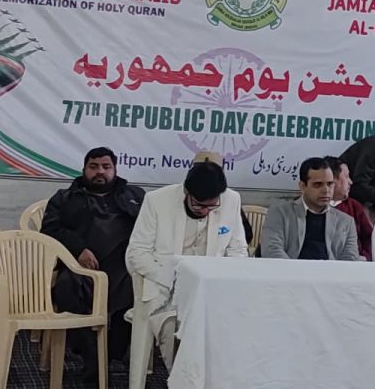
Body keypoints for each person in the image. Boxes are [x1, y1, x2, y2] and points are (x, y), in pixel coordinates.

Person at [126, 160, 248, 367]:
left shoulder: (231, 200)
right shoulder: (157, 201)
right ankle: (183, 378)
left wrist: (224, 280)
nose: (205, 211)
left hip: (211, 292)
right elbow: (136, 253)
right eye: (199, 205)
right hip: (166, 290)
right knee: (175, 332)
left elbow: (238, 249)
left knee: (234, 328)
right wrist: (171, 278)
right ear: (186, 192)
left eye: (212, 206)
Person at [41, 147, 145, 378]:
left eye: (106, 167)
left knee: (139, 289)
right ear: (84, 169)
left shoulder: (135, 197)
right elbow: (49, 230)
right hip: (79, 268)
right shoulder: (64, 198)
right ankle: (90, 355)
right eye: (94, 166)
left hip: (124, 266)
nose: (100, 172)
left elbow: (151, 230)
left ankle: (112, 353)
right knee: (66, 288)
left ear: (115, 169)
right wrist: (77, 249)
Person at [261, 157, 360, 260]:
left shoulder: (346, 222)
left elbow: (350, 260)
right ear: (302, 186)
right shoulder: (279, 213)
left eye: (330, 184)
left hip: (330, 270)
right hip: (290, 269)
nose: (326, 190)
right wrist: (296, 270)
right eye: (318, 184)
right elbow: (272, 251)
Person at [325, 156, 374, 260]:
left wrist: (365, 256)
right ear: (332, 179)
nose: (350, 182)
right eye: (346, 176)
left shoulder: (354, 206)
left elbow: (369, 238)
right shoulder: (308, 206)